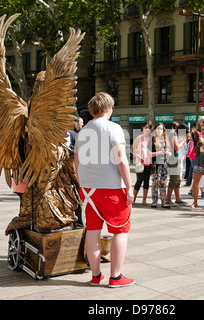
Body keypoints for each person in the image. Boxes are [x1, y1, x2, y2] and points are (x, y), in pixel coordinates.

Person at [74, 92, 135, 288]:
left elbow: (76, 161)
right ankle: (116, 277)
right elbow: (121, 159)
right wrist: (130, 187)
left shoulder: (82, 131)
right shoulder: (113, 128)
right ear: (108, 109)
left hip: (89, 189)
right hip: (112, 188)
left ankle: (95, 276)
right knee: (120, 230)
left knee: (93, 230)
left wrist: (81, 181)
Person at [150, 123, 172, 208]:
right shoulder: (152, 140)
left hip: (165, 164)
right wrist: (159, 152)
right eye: (158, 128)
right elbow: (149, 154)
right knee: (156, 182)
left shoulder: (166, 140)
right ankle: (154, 201)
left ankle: (164, 201)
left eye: (161, 129)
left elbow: (170, 153)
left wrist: (168, 153)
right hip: (156, 164)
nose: (160, 130)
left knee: (163, 182)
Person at [131, 121, 153, 205]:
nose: (147, 129)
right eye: (146, 127)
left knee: (146, 181)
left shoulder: (151, 139)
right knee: (139, 180)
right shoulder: (139, 137)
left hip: (148, 163)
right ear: (143, 128)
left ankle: (144, 200)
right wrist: (139, 157)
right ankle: (134, 198)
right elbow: (132, 150)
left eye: (149, 128)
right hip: (140, 163)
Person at [166, 122, 188, 205]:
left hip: (178, 160)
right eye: (185, 132)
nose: (185, 134)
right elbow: (176, 147)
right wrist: (184, 140)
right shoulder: (173, 133)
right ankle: (168, 200)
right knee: (173, 180)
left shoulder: (178, 135)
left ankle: (178, 199)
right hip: (173, 160)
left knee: (178, 180)